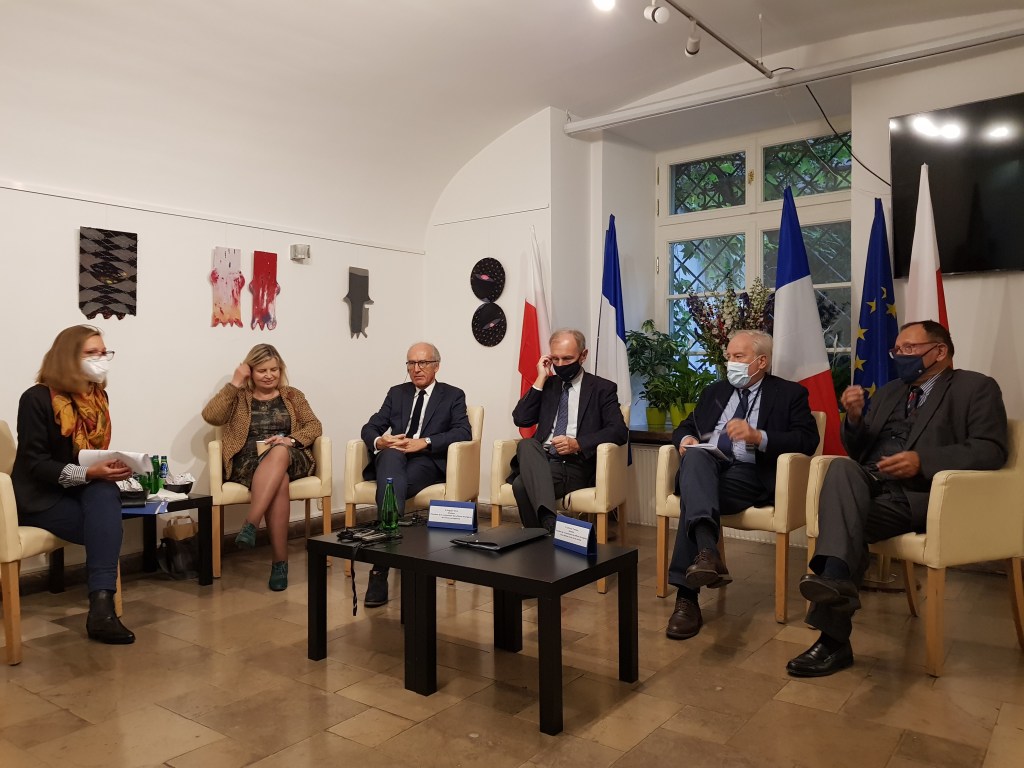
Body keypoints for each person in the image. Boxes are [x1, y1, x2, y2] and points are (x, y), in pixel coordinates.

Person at [789, 320, 1008, 677]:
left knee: (845, 527)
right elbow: (858, 451)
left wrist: (924, 461)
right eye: (897, 350)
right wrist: (854, 419)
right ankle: (836, 584)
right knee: (842, 468)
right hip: (870, 485)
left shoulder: (975, 387)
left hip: (918, 496)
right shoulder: (891, 391)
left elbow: (991, 450)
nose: (900, 356)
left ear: (939, 351)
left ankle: (832, 635)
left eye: (909, 349)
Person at [665, 330, 819, 640]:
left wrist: (758, 436)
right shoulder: (715, 391)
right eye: (728, 356)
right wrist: (687, 439)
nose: (730, 363)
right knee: (696, 457)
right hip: (708, 466)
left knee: (694, 498)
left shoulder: (789, 393)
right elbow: (685, 426)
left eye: (738, 357)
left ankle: (687, 596)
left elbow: (807, 440)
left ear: (761, 361)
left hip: (750, 474)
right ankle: (707, 554)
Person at [12, 326, 135, 644]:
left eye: (104, 353)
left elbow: (87, 455)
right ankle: (102, 611)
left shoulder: (98, 397)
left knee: (106, 493)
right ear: (67, 357)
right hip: (39, 496)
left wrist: (107, 468)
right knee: (106, 526)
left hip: (77, 491)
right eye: (91, 353)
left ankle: (101, 607)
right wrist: (90, 473)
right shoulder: (36, 399)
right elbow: (35, 464)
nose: (101, 359)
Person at [202, 344, 322, 592]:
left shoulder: (292, 395)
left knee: (278, 452)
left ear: (281, 370)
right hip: (248, 460)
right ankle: (280, 564)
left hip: (290, 454)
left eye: (274, 370)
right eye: (262, 370)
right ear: (250, 372)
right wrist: (235, 382)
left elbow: (314, 425)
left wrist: (290, 440)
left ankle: (251, 523)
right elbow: (211, 416)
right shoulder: (239, 396)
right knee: (279, 481)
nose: (269, 375)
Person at [359, 342, 471, 606]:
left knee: (390, 485)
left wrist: (425, 442)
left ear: (436, 366)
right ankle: (390, 557)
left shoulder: (452, 395)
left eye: (423, 363)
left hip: (426, 460)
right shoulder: (396, 393)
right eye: (411, 363)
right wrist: (380, 441)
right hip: (394, 455)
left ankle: (379, 569)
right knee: (390, 462)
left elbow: (463, 431)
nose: (416, 369)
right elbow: (370, 426)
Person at [510, 329, 628, 533]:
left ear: (583, 355)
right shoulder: (548, 385)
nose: (561, 364)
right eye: (555, 359)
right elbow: (521, 419)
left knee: (521, 485)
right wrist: (540, 379)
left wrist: (578, 444)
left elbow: (618, 431)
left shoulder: (602, 388)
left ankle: (543, 535)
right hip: (541, 458)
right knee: (527, 444)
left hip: (575, 465)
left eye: (567, 359)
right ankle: (550, 524)